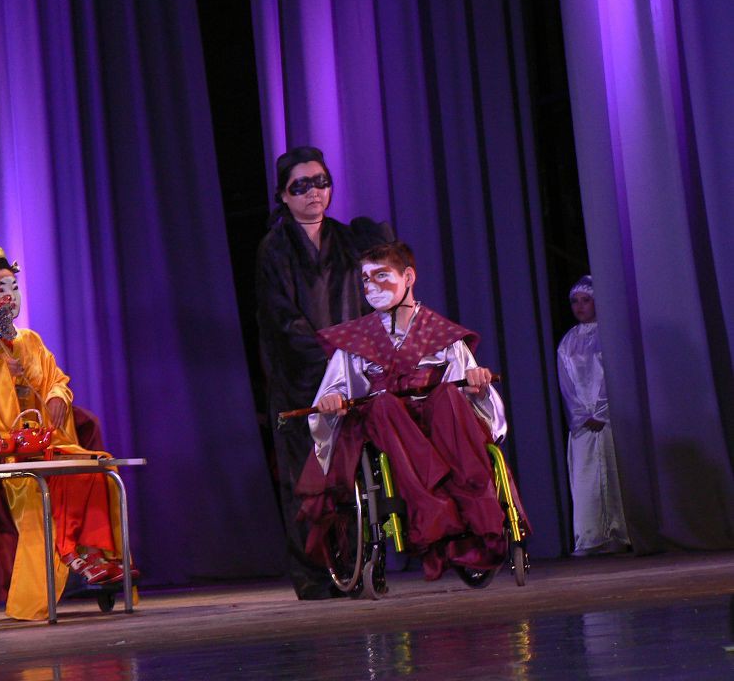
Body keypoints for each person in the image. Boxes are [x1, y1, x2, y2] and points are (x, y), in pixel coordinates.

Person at [297, 241, 529, 580]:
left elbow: (471, 393)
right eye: (365, 279)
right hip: (387, 425)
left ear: (408, 277)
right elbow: (334, 389)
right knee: (383, 404)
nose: (371, 287)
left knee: (449, 395)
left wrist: (477, 385)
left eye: (381, 276)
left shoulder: (441, 334)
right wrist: (332, 399)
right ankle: (433, 508)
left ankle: (476, 508)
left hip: (437, 423)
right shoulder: (356, 340)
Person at [0, 245, 129, 621]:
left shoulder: (30, 340)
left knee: (95, 468)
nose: (10, 296)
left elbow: (55, 379)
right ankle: (73, 552)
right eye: (0, 289)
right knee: (48, 482)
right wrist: (0, 376)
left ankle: (95, 554)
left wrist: (56, 394)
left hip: (45, 440)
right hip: (6, 448)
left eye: (13, 287)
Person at [255, 145, 392, 600]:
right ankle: (314, 574)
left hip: (348, 374)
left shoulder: (348, 240)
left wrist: (356, 358)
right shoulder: (275, 249)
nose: (314, 192)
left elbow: (375, 293)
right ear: (283, 195)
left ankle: (357, 564)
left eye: (321, 182)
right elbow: (282, 319)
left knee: (352, 474)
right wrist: (327, 358)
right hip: (300, 379)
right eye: (301, 186)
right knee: (305, 478)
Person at [556, 275, 630, 555]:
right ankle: (591, 537)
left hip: (608, 421)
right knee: (586, 479)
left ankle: (620, 533)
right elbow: (566, 385)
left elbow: (614, 377)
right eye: (575, 301)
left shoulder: (609, 336)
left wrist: (601, 412)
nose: (579, 306)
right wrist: (582, 415)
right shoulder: (567, 343)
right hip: (583, 425)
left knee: (615, 473)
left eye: (585, 300)